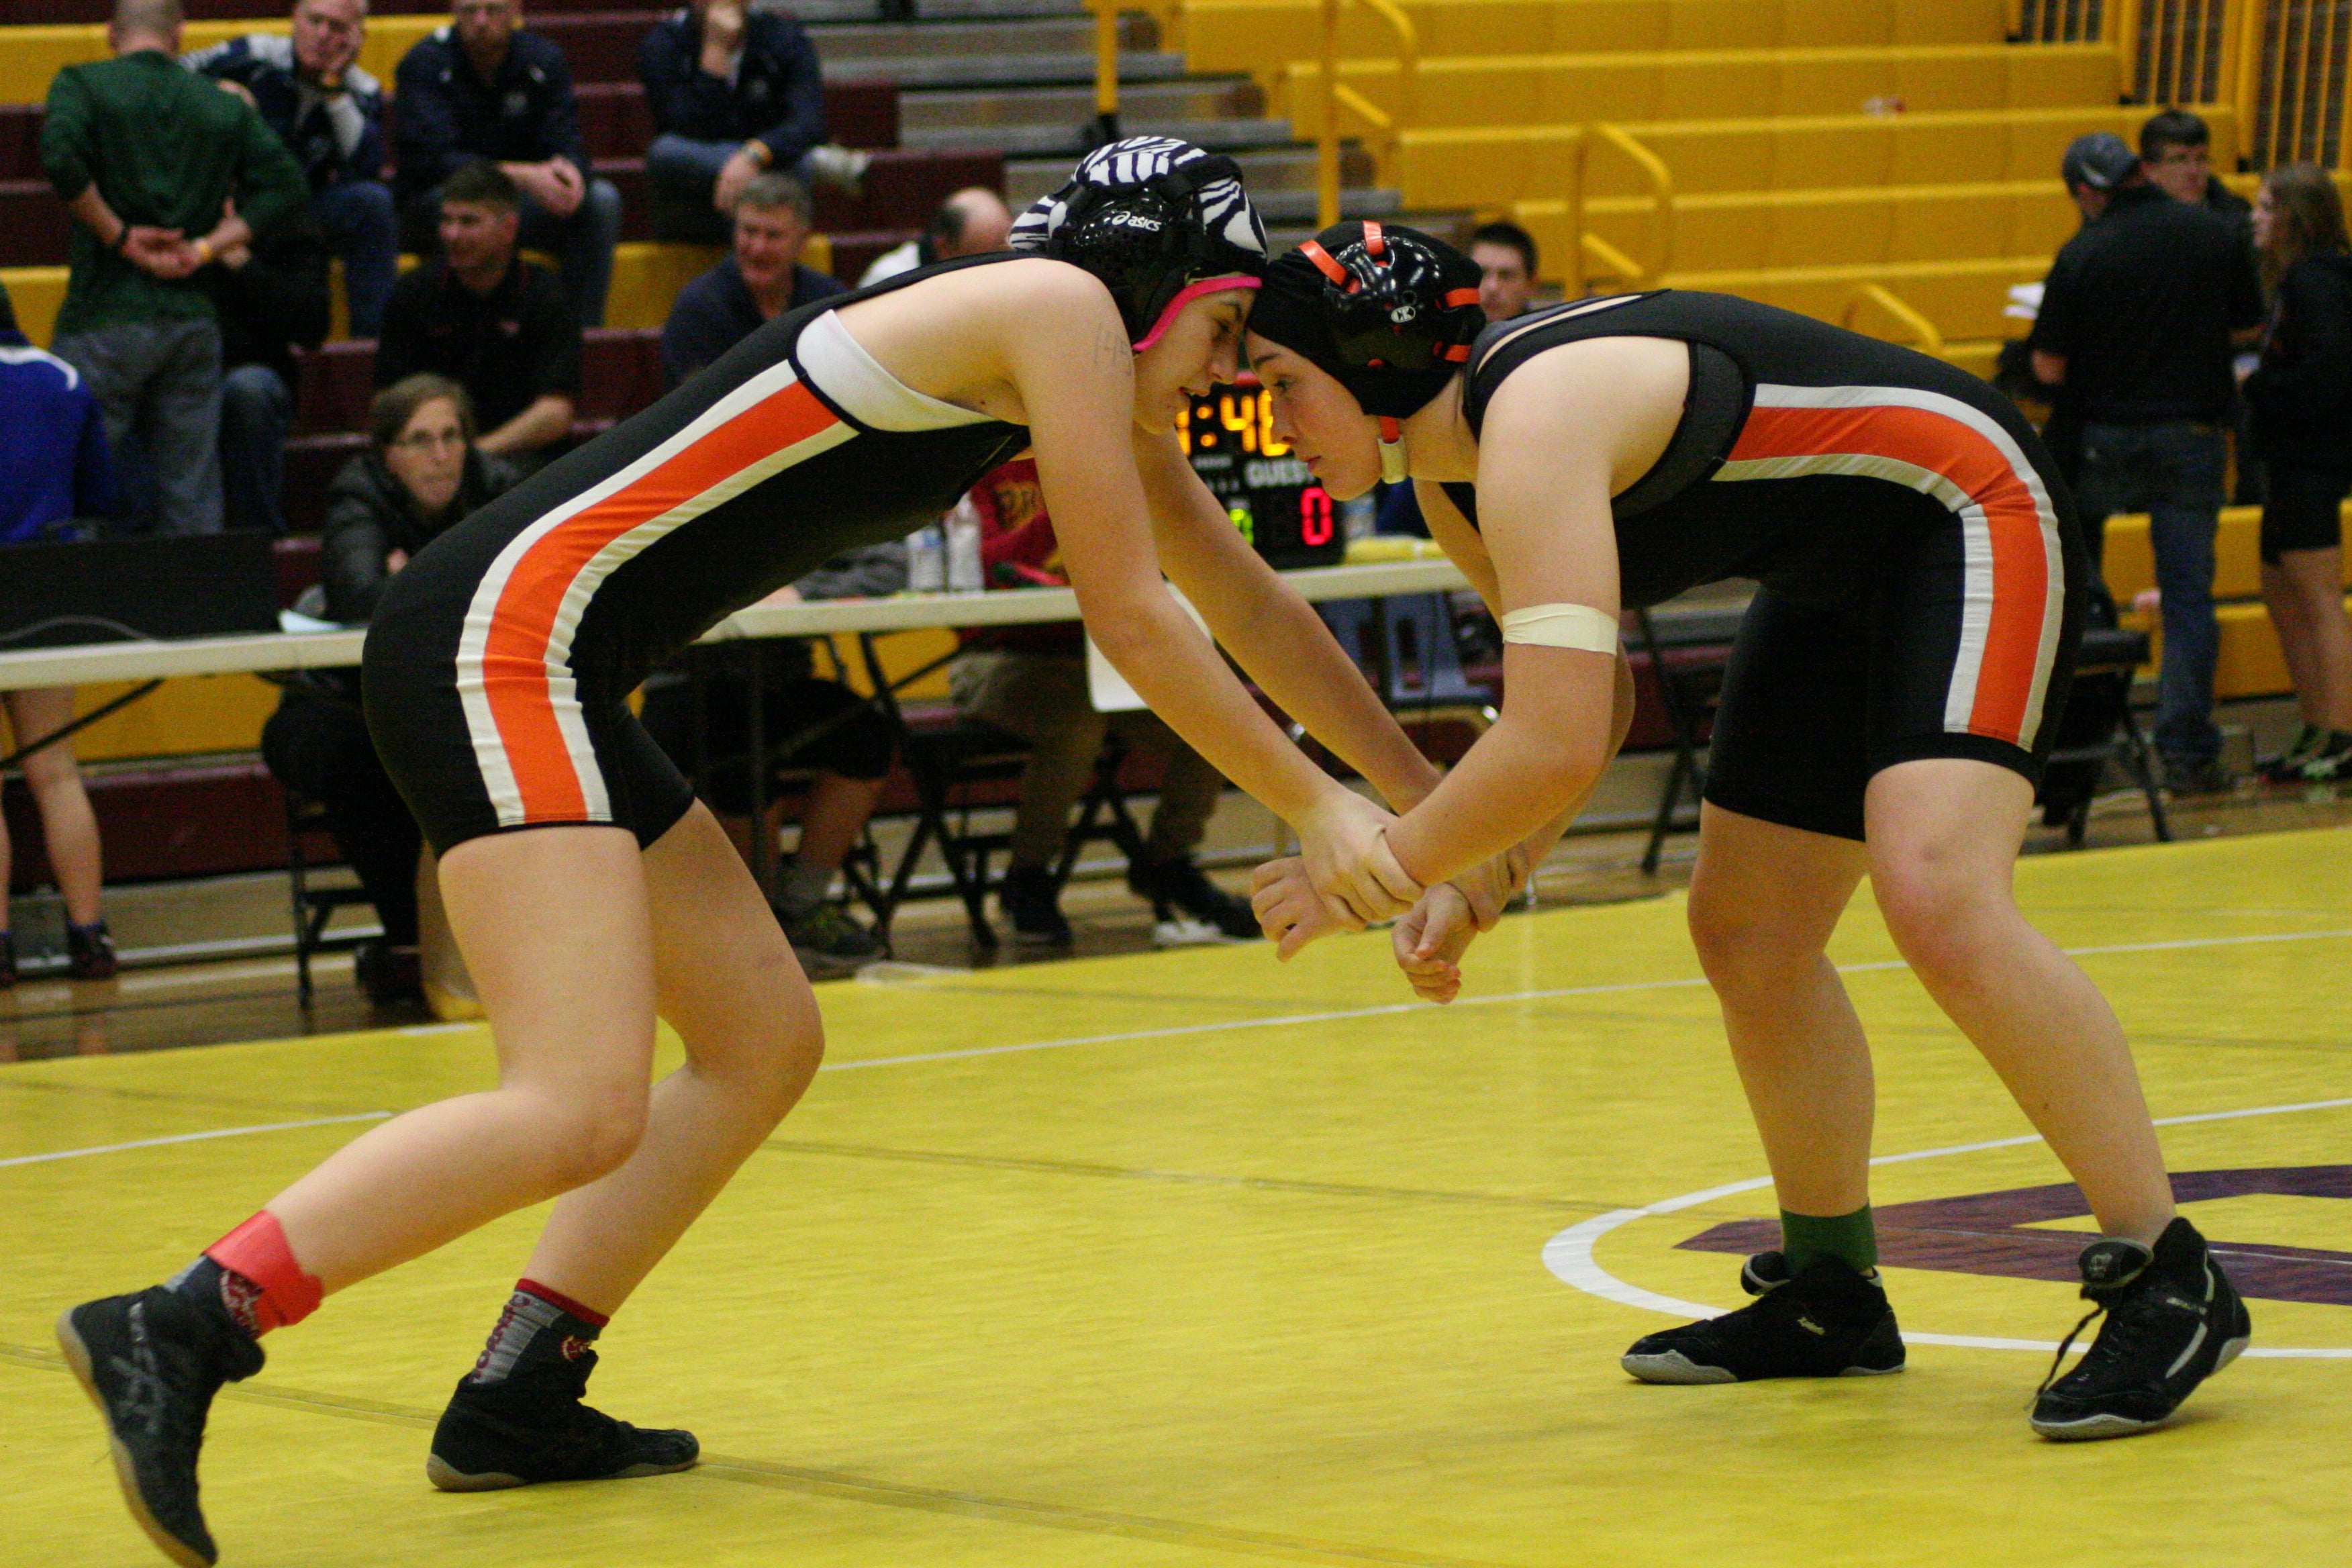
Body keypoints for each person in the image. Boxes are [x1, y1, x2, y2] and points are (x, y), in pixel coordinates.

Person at [58, 140, 1469, 1568]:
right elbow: (1135, 616)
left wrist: (1437, 808)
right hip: (499, 645)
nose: (1227, 367)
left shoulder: (1051, 353)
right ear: (1153, 279)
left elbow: (1252, 603)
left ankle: (520, 1391)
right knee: (575, 1097)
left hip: (544, 658)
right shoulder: (1050, 310)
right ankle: (183, 1319)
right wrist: (1310, 804)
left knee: (759, 1036)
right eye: (1226, 326)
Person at [1244, 222, 2249, 1440]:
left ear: (1374, 368)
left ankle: (2166, 1267)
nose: (1275, 418)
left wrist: (1386, 867)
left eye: (1284, 383)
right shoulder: (1455, 471)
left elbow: (1556, 737)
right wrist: (1475, 878)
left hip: (1965, 506)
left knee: (1933, 889)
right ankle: (1828, 1289)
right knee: (1745, 931)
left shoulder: (1533, 416)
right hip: (1838, 569)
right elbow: (1589, 701)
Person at [262, 375, 517, 1006]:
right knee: (367, 761)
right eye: (420, 440)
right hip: (339, 702)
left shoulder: (499, 484)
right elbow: (358, 596)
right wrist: (455, 584)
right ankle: (411, 943)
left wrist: (415, 577)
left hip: (464, 704)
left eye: (452, 436)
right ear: (388, 455)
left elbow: (537, 582)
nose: (440, 455)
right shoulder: (359, 492)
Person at [948, 456, 1261, 946]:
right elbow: (988, 566)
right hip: (999, 653)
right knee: (1076, 720)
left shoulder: (1122, 459)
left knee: (1213, 716)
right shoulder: (985, 464)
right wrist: (1064, 503)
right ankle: (1027, 875)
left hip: (1103, 659)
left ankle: (1168, 862)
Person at [2030, 144, 2265, 794]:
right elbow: (2248, 328)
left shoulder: (2085, 251)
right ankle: (2187, 753)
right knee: (2189, 597)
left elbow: (2049, 368)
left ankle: (2082, 753)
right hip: (2191, 433)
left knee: (2085, 597)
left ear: (2085, 191)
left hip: (2105, 437)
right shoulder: (2214, 234)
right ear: (2141, 170)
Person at [40, 0, 307, 536]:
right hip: (189, 317)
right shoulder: (218, 104)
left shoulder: (81, 83)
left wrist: (119, 235)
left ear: (114, 33)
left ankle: (78, 612)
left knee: (78, 484)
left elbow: (59, 156)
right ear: (179, 35)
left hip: (104, 313)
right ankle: (197, 617)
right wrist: (205, 248)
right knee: (191, 490)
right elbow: (286, 186)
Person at [0, 284, 119, 987]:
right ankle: (90, 935)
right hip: (49, 583)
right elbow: (100, 493)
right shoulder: (62, 377)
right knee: (56, 771)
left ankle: (2, 947)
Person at [393, 0, 623, 326]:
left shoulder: (544, 60)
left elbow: (568, 143)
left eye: (493, 10)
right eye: (470, 11)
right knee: (465, 212)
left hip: (521, 205)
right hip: (441, 203)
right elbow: (431, 162)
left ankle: (577, 337)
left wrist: (568, 173)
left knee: (600, 201)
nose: (482, 22)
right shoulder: (424, 63)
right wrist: (524, 177)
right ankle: (455, 335)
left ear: (516, 9)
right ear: (454, 10)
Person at [184, 0, 399, 336]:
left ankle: (371, 346)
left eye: (338, 28)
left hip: (301, 216)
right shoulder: (254, 54)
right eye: (315, 21)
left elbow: (367, 167)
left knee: (372, 203)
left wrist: (333, 89)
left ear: (358, 37)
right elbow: (169, 77)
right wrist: (215, 92)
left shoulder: (361, 87)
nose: (323, 35)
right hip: (230, 206)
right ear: (295, 19)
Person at [2244, 163, 2352, 781]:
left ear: (2294, 216)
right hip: (2290, 458)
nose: (2254, 218)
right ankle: (2317, 722)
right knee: (2278, 586)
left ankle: (2341, 733)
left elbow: (2331, 369)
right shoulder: (2300, 278)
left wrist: (2260, 384)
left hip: (2313, 455)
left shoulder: (2316, 279)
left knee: (2316, 595)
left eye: (2264, 207)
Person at [375, 161, 582, 471]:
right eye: (446, 220)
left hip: (523, 464)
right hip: (431, 464)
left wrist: (472, 455)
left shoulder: (546, 295)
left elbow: (555, 414)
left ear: (508, 229)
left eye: (468, 222)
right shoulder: (414, 292)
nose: (452, 234)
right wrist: (439, 453)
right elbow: (386, 401)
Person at [638, 0, 867, 244]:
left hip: (766, 161)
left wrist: (754, 155)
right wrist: (716, 49)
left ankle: (789, 170)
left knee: (795, 163)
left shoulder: (784, 36)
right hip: (700, 187)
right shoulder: (664, 42)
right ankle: (815, 163)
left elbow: (808, 121)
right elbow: (687, 125)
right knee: (665, 153)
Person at [659, 171, 845, 387]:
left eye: (773, 235)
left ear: (802, 241)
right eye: (749, 231)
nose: (758, 248)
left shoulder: (828, 302)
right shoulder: (697, 309)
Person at [209, 206, 331, 532]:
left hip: (252, 371)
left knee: (249, 390)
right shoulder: (172, 222)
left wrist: (247, 268)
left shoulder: (285, 221)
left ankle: (259, 541)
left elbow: (312, 327)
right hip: (178, 373)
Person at [2140, 107, 2254, 243]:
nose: (2194, 171)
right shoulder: (2130, 223)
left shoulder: (2237, 217)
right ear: (2150, 170)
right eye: (2180, 159)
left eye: (2201, 158)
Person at [856, 186, 1014, 284]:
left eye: (1004, 257)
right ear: (944, 247)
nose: (994, 273)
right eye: (982, 261)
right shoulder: (890, 280)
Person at [1466, 219, 1538, 323]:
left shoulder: (1548, 338)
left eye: (1506, 276)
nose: (1492, 287)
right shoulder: (1440, 337)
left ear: (1531, 285)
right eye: (1481, 274)